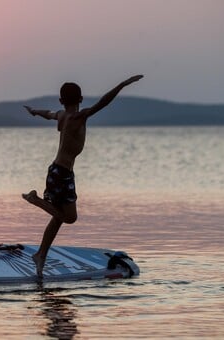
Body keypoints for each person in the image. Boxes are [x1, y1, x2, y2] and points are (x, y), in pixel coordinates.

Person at [22, 75, 144, 278]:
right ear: (81, 99)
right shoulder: (79, 117)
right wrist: (122, 85)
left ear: (62, 101)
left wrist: (34, 112)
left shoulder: (61, 115)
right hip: (61, 174)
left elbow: (48, 113)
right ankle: (34, 199)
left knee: (59, 217)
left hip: (59, 172)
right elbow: (102, 103)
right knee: (70, 218)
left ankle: (41, 254)